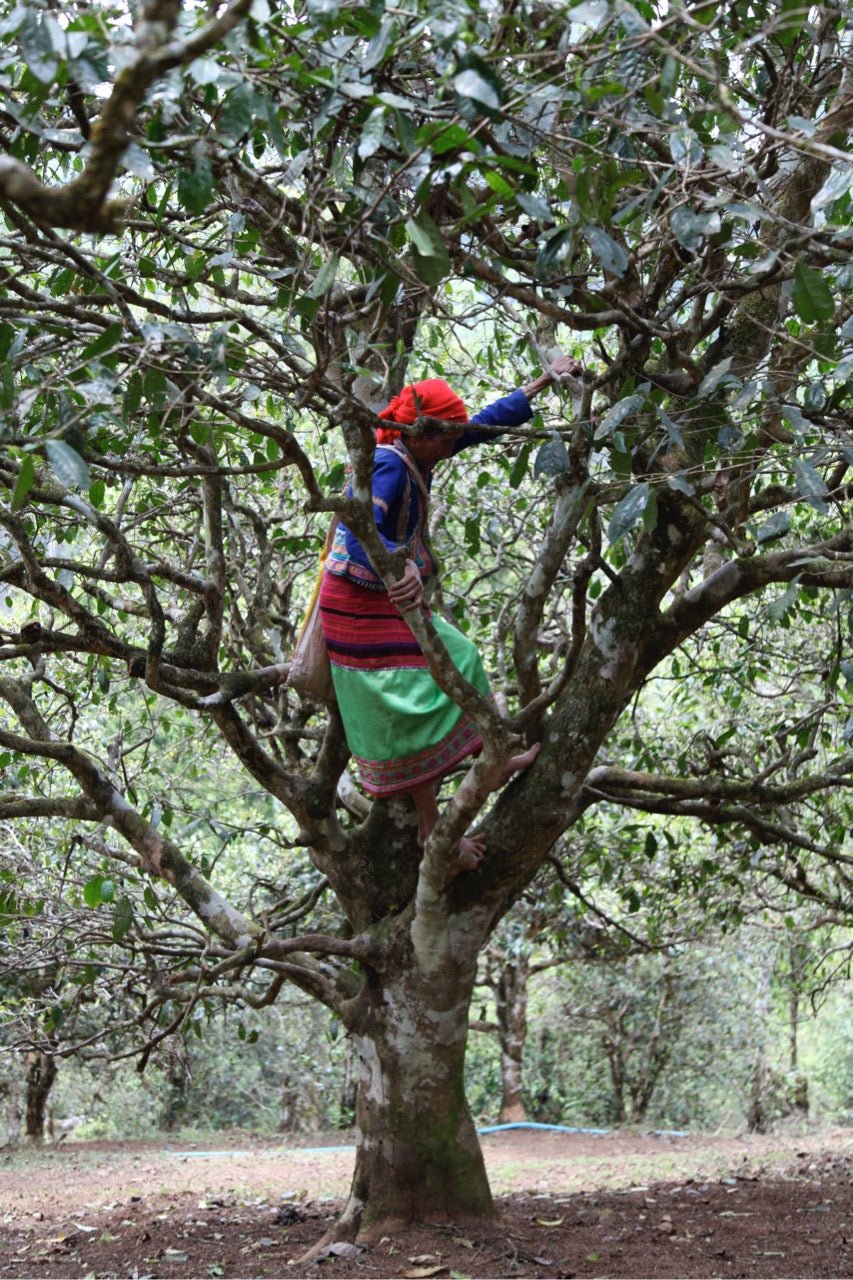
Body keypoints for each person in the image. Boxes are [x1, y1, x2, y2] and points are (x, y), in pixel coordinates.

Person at [319, 356, 580, 866]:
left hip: (379, 596)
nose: (451, 446)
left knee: (453, 662)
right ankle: (441, 815)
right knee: (446, 667)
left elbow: (485, 423)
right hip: (356, 602)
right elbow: (358, 533)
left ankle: (482, 765)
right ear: (420, 433)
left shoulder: (420, 447)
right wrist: (402, 565)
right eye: (446, 438)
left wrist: (544, 380)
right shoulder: (392, 463)